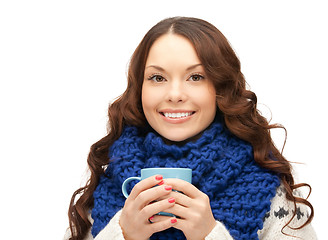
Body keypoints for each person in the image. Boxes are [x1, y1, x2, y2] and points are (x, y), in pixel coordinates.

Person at [65, 17, 316, 240]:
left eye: (195, 77)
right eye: (157, 78)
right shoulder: (107, 184)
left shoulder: (270, 192)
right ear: (140, 88)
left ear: (221, 87)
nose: (175, 95)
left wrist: (210, 234)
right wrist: (123, 234)